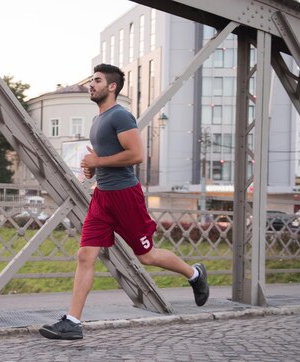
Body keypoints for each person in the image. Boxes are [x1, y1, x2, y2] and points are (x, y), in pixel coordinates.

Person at [39, 64, 209, 340]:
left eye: (97, 80)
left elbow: (136, 155)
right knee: (85, 255)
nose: (91, 85)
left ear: (112, 86)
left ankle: (194, 274)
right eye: (92, 80)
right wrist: (93, 168)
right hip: (102, 196)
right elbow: (106, 157)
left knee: (147, 255)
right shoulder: (97, 120)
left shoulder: (121, 116)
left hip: (125, 196)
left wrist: (99, 161)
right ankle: (73, 322)